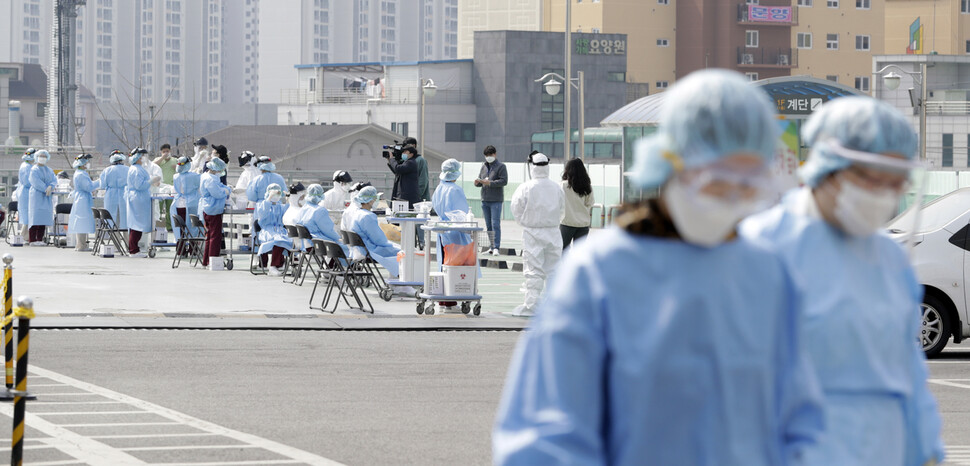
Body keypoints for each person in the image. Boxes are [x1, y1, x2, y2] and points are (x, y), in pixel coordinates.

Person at [493, 69, 824, 465]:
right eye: (719, 181)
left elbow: (801, 418)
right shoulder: (602, 273)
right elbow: (545, 436)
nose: (733, 197)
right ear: (672, 164)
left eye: (748, 184)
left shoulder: (768, 274)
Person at [739, 96, 945, 465]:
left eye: (895, 182)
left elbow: (907, 371)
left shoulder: (889, 258)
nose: (884, 193)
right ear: (828, 167)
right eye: (871, 178)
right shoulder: (761, 247)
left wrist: (927, 452)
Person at [510, 152, 565, 317]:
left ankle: (532, 305)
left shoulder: (526, 187)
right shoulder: (556, 187)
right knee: (554, 270)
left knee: (533, 269)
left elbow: (516, 207)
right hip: (554, 232)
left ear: (532, 167)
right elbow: (562, 209)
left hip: (532, 232)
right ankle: (553, 305)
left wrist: (525, 222)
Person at [344, 186, 416, 295]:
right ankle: (401, 284)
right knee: (403, 252)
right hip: (370, 250)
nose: (376, 201)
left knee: (398, 249)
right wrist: (389, 243)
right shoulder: (368, 216)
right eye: (374, 198)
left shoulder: (358, 213)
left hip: (361, 248)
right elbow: (379, 240)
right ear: (369, 201)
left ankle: (396, 283)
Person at [432, 159, 473, 312]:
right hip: (455, 231)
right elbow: (461, 212)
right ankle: (452, 300)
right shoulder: (455, 190)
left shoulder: (439, 188)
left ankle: (444, 300)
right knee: (457, 267)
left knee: (444, 263)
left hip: (443, 230)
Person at [475, 145, 507, 256]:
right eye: (486, 155)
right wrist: (478, 183)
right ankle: (491, 246)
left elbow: (504, 181)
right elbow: (481, 180)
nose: (488, 157)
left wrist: (490, 183)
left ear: (495, 154)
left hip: (496, 200)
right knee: (488, 225)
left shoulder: (501, 166)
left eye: (490, 155)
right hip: (485, 199)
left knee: (495, 224)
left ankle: (496, 247)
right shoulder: (483, 167)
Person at [199, 158, 231, 269]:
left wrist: (226, 189)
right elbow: (217, 193)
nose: (221, 172)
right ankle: (212, 260)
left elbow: (219, 187)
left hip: (209, 208)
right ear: (216, 168)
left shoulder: (207, 176)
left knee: (209, 236)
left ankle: (206, 261)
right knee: (215, 236)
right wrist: (226, 191)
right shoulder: (210, 179)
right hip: (213, 209)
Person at [297, 184, 347, 255]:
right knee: (346, 247)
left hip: (306, 244)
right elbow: (328, 230)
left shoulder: (303, 208)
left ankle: (332, 264)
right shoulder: (320, 210)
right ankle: (336, 265)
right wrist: (339, 238)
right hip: (318, 244)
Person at [255, 183, 293, 276]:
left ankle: (287, 264)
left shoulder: (280, 206)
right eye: (274, 194)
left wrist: (288, 200)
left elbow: (286, 213)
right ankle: (273, 266)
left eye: (278, 194)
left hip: (280, 230)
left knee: (292, 241)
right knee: (278, 240)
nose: (276, 196)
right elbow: (262, 214)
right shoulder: (262, 204)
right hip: (267, 231)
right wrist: (269, 198)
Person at [68, 154, 101, 251]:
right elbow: (89, 187)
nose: (88, 163)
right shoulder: (81, 174)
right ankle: (81, 245)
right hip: (82, 200)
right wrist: (99, 181)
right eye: (86, 162)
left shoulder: (81, 173)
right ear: (82, 163)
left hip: (82, 199)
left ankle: (81, 244)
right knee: (81, 221)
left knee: (82, 222)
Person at [560, 158, 595, 249]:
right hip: (583, 225)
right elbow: (590, 203)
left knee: (562, 250)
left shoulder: (563, 186)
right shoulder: (587, 186)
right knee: (579, 253)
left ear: (568, 170)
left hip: (567, 223)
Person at [125, 147, 153, 257]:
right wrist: (151, 181)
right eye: (141, 157)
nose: (143, 159)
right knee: (137, 225)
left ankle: (134, 248)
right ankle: (134, 250)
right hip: (138, 199)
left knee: (136, 224)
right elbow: (139, 185)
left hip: (137, 198)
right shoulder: (136, 170)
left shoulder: (135, 168)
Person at [27, 149, 57, 245]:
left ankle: (40, 239)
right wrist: (45, 188)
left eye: (44, 156)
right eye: (41, 156)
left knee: (43, 218)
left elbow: (54, 179)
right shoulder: (34, 170)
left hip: (46, 197)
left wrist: (51, 186)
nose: (42, 158)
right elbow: (35, 182)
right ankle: (32, 240)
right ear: (36, 157)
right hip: (36, 195)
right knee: (35, 218)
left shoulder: (49, 170)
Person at [172, 156, 201, 253]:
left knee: (181, 228)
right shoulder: (194, 176)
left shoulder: (176, 176)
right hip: (191, 203)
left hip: (178, 204)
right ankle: (193, 249)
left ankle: (180, 250)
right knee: (192, 227)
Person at [100, 150, 129, 230]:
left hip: (111, 196)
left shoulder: (107, 170)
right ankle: (127, 241)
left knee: (112, 221)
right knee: (125, 220)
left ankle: (116, 240)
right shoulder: (128, 169)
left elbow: (102, 185)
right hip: (124, 196)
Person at [154, 143, 177, 230]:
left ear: (170, 151)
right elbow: (153, 165)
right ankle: (158, 226)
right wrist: (162, 157)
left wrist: (176, 168)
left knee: (169, 209)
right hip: (159, 188)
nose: (166, 153)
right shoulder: (158, 160)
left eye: (167, 151)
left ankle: (169, 226)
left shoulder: (174, 160)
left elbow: (181, 168)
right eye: (164, 151)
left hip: (171, 188)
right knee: (158, 208)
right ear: (161, 152)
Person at [403, 136, 431, 202]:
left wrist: (417, 195)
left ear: (414, 145)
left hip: (420, 199)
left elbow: (423, 180)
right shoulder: (406, 160)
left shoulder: (420, 160)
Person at [15, 149, 35, 239]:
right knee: (28, 216)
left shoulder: (25, 165)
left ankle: (25, 237)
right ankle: (25, 237)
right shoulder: (27, 167)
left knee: (26, 216)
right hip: (26, 193)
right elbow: (28, 181)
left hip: (24, 192)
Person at [282, 182, 308, 250]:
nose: (303, 199)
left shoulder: (289, 211)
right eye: (302, 197)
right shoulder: (298, 213)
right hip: (305, 244)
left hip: (296, 244)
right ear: (296, 197)